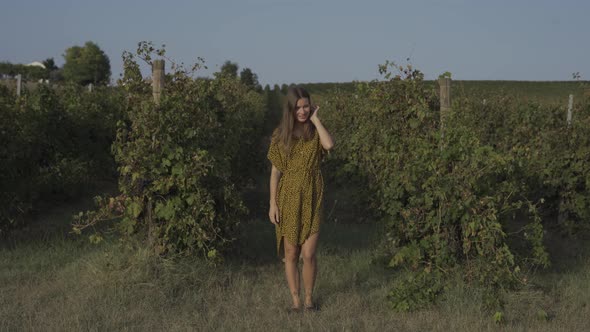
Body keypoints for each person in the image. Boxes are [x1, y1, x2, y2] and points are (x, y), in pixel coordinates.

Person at [267, 86, 335, 312]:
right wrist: (272, 203)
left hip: (313, 195)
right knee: (291, 253)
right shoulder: (281, 135)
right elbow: (275, 172)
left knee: (309, 254)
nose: (303, 111)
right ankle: (295, 302)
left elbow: (329, 145)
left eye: (306, 106)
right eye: (298, 107)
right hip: (288, 197)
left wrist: (316, 120)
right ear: (291, 109)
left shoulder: (315, 132)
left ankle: (309, 300)